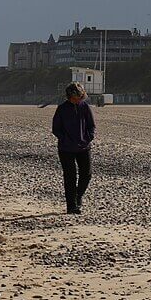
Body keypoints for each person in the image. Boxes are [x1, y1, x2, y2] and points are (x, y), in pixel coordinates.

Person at [51, 82, 95, 214]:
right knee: (70, 177)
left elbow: (91, 126)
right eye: (77, 97)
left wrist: (88, 138)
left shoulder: (85, 107)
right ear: (70, 96)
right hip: (66, 149)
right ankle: (71, 206)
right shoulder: (62, 109)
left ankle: (78, 196)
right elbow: (56, 129)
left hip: (84, 147)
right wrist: (65, 139)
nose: (79, 99)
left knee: (86, 175)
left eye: (81, 96)